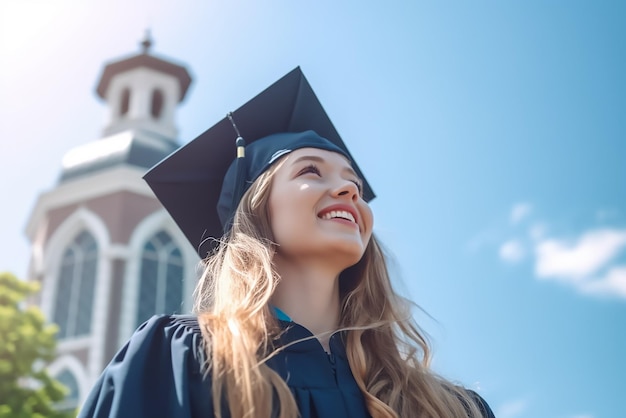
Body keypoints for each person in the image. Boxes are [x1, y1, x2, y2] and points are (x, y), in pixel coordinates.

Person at [78, 68, 495, 418]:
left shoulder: (444, 406)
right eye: (311, 171)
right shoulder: (181, 361)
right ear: (257, 209)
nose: (350, 191)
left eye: (353, 182)